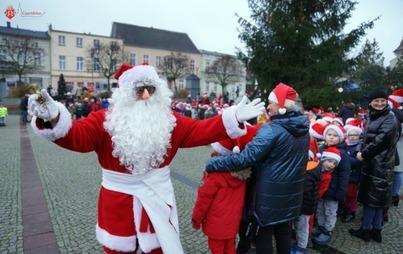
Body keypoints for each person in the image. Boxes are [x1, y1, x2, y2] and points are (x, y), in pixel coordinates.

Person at [27, 63, 265, 254]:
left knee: (158, 247)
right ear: (124, 93)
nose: (144, 95)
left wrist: (232, 117)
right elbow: (76, 136)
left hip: (157, 198)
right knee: (117, 249)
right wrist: (55, 117)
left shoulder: (170, 121)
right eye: (138, 89)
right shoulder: (105, 121)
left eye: (150, 89)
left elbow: (200, 129)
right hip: (117, 203)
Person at [205, 83, 310, 254]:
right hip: (291, 193)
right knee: (283, 230)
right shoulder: (304, 129)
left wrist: (212, 163)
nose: (268, 106)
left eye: (271, 102)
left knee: (264, 232)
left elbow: (246, 159)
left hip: (268, 194)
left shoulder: (271, 129)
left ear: (282, 105)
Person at [192, 125, 258, 254]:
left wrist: (196, 220)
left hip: (215, 224)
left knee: (216, 249)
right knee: (230, 247)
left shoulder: (213, 173)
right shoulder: (243, 173)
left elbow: (203, 201)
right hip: (232, 223)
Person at [349, 87, 399, 243]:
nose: (379, 103)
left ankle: (366, 230)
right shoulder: (373, 115)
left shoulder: (389, 118)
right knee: (378, 200)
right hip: (374, 164)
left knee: (373, 200)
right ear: (370, 102)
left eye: (382, 101)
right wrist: (359, 149)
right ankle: (376, 230)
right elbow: (365, 138)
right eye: (376, 100)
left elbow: (381, 140)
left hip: (380, 165)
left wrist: (363, 154)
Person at [312, 124, 350, 245]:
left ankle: (328, 230)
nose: (331, 137)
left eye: (335, 135)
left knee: (330, 211)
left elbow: (344, 174)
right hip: (321, 187)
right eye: (329, 135)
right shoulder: (322, 149)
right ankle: (320, 226)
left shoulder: (343, 153)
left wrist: (341, 191)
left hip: (333, 189)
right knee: (320, 209)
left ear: (340, 138)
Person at [291, 151, 323, 254]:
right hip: (305, 207)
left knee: (302, 228)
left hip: (304, 208)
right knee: (299, 227)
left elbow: (304, 193)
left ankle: (301, 248)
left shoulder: (306, 172)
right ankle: (299, 243)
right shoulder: (311, 170)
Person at [341, 126, 363, 223]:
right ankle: (346, 209)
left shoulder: (359, 147)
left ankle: (352, 211)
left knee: (352, 195)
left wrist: (346, 157)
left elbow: (358, 162)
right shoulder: (346, 145)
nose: (353, 137)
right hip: (346, 174)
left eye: (355, 135)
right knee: (346, 194)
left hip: (354, 175)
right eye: (351, 135)